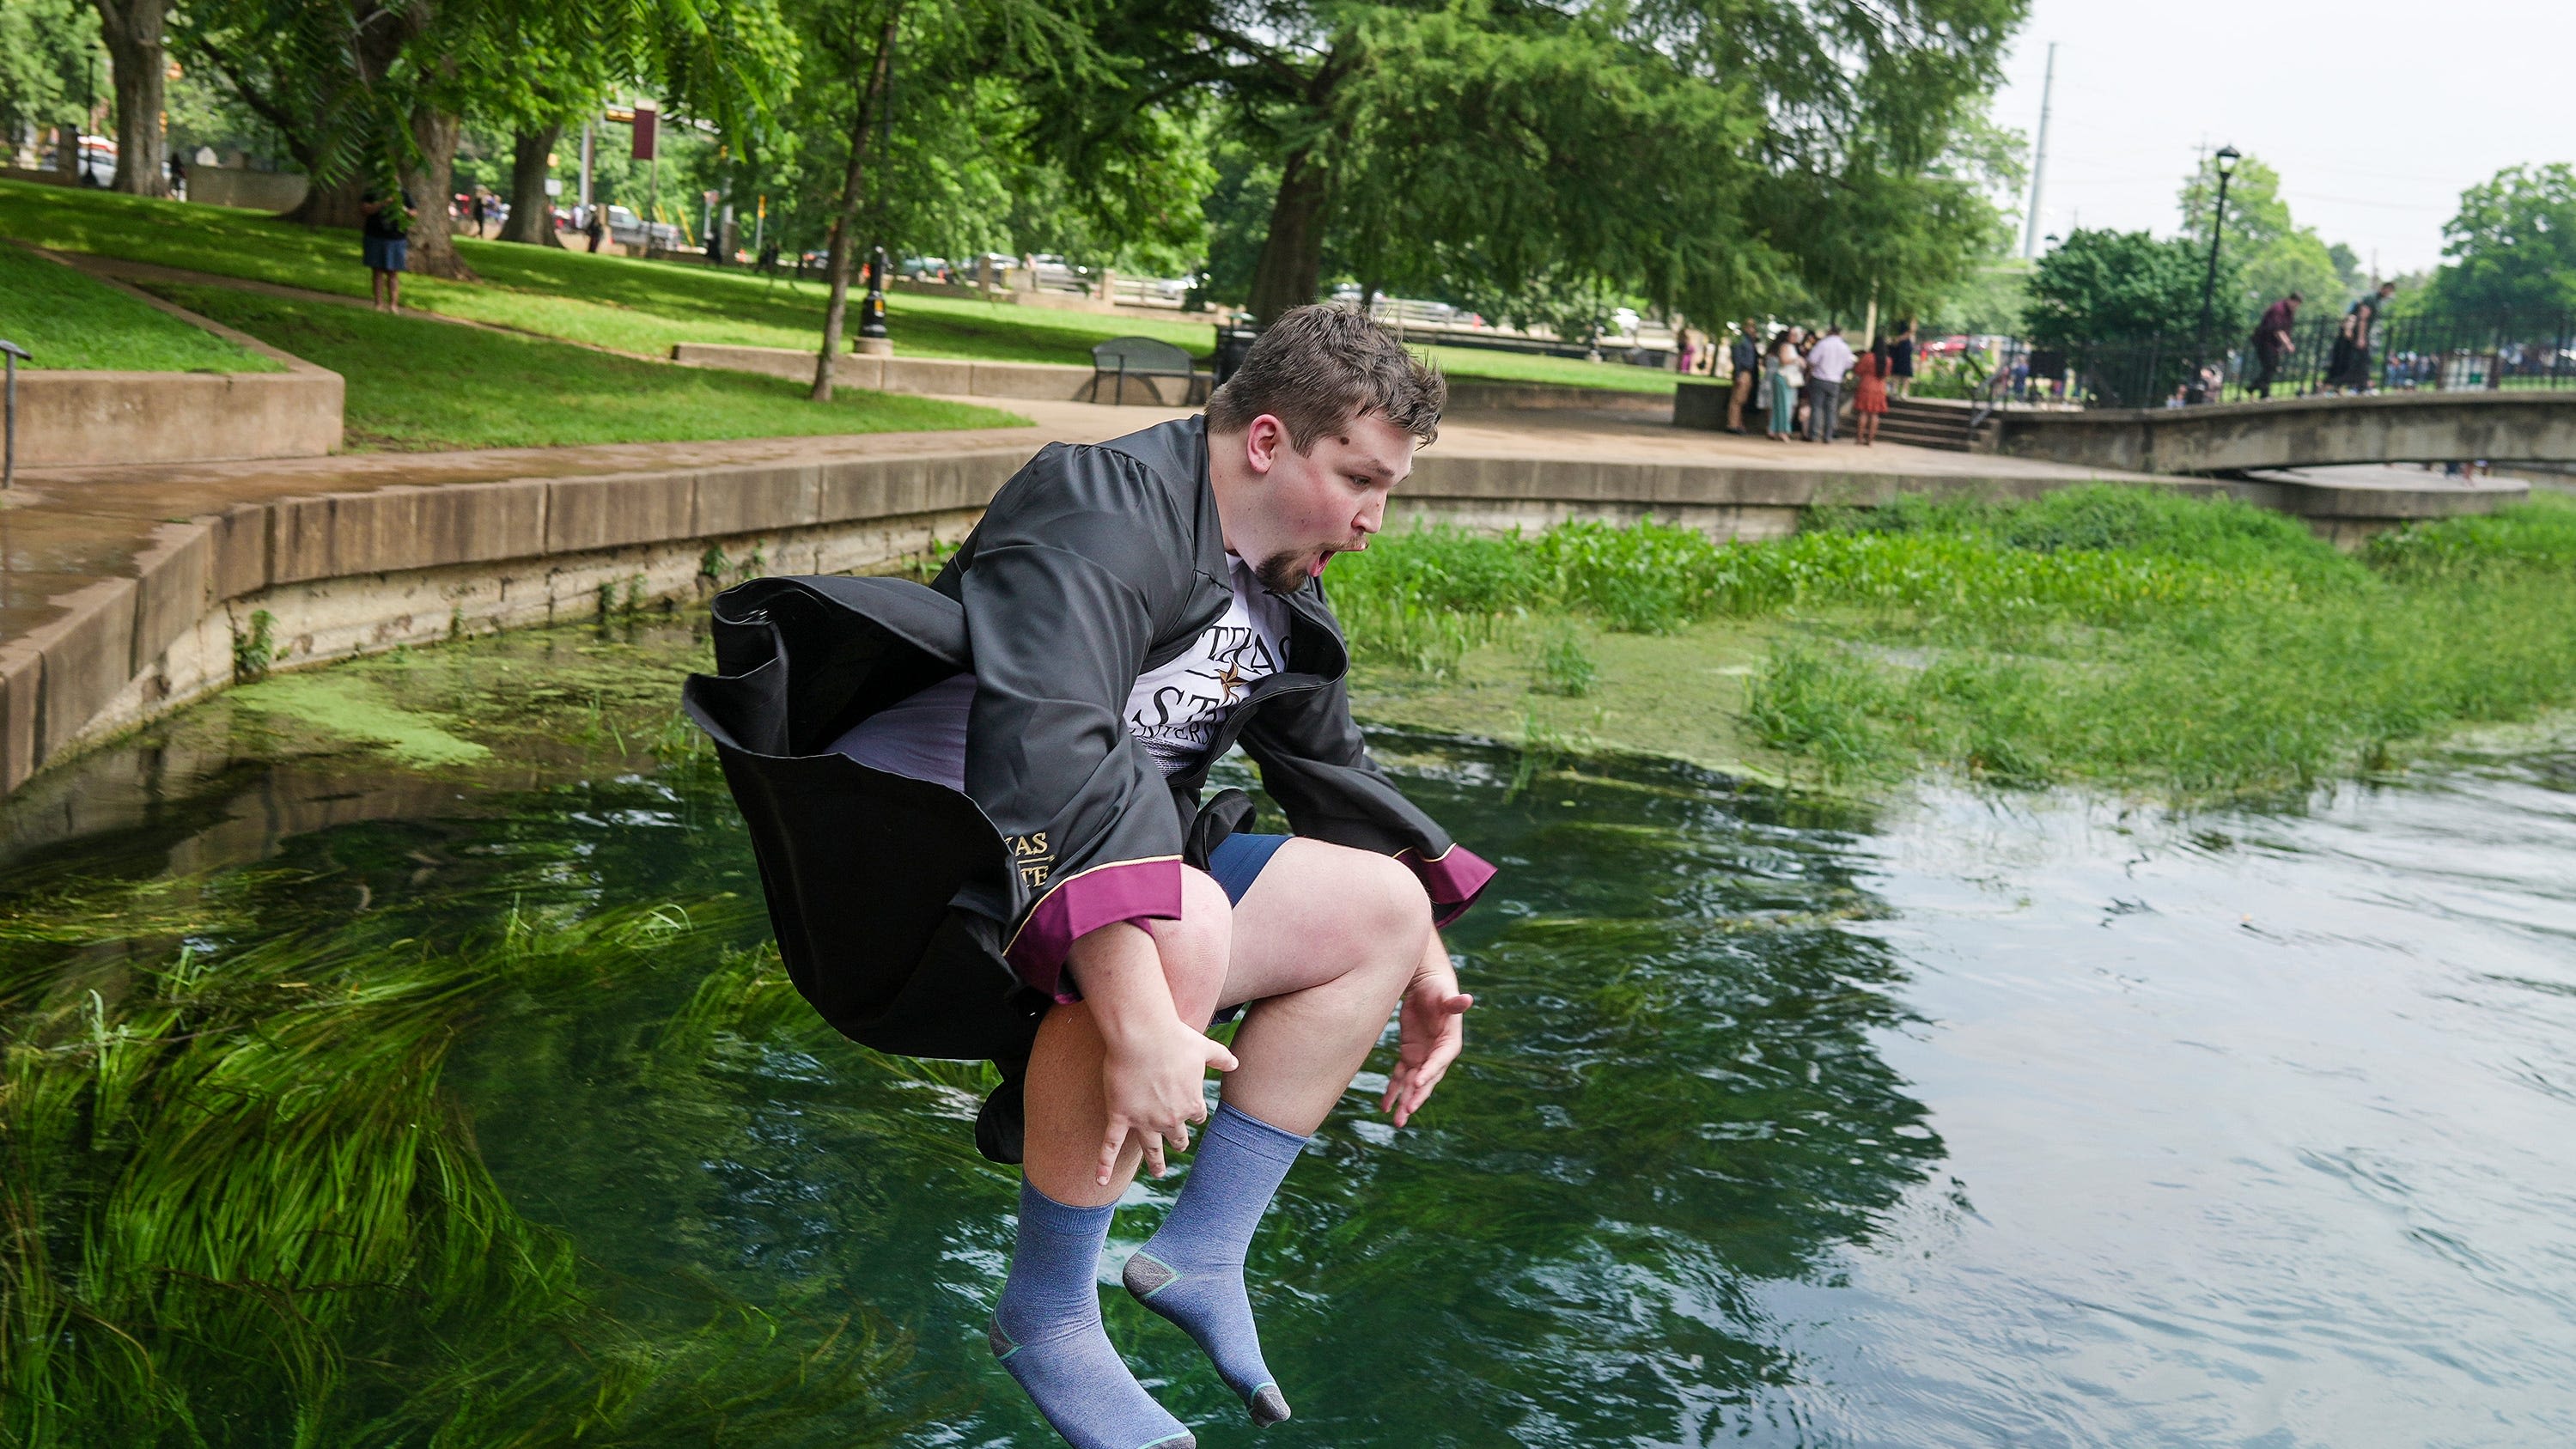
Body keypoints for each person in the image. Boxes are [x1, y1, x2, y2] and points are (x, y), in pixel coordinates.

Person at [682, 305, 1495, 1449]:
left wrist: (1424, 958)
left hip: (1098, 861)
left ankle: (1200, 1252)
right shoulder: (1092, 507)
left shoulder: (1278, 573)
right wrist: (1141, 1023)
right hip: (932, 882)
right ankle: (1047, 1312)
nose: (1371, 521)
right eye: (1359, 479)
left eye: (1388, 489)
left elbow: (1331, 770)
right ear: (1266, 440)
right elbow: (1042, 762)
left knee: (1379, 905)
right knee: (1185, 916)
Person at [2327, 282, 2396, 393]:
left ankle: (2349, 386)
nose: (2389, 294)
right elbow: (2363, 318)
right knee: (2362, 361)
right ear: (2384, 289)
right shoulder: (2371, 299)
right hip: (2358, 334)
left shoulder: (2377, 301)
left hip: (2360, 334)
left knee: (2356, 361)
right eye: (2388, 291)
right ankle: (2359, 387)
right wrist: (2361, 337)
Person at [359, 183, 412, 313]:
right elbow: (364, 209)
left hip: (396, 238)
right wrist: (382, 203)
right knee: (377, 271)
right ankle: (378, 304)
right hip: (375, 236)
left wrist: (402, 208)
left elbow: (413, 213)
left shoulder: (403, 194)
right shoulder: (372, 192)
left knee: (393, 272)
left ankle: (393, 305)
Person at [1805, 324, 1854, 444]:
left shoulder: (1823, 344)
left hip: (1820, 378)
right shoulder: (1845, 347)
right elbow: (1849, 364)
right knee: (1831, 409)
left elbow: (1812, 360)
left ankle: (1814, 434)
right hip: (1835, 381)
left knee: (1817, 407)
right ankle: (1828, 435)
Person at [2250, 292, 2301, 399]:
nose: (2296, 307)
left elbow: (2287, 330)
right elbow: (2277, 330)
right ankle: (2262, 392)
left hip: (2274, 343)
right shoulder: (2279, 309)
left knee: (2272, 367)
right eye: (2295, 304)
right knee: (2270, 366)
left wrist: (2283, 346)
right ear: (2290, 300)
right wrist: (2287, 344)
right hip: (2264, 341)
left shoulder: (2289, 312)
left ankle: (2255, 388)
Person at [1766, 329, 1803, 440]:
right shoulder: (1786, 347)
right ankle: (1783, 430)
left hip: (1788, 379)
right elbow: (1784, 360)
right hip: (1784, 378)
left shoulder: (1792, 348)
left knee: (1782, 405)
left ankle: (1774, 429)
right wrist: (1797, 359)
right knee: (1785, 406)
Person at [1726, 320, 1762, 432]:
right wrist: (1738, 374)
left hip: (1749, 372)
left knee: (1742, 400)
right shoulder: (1740, 340)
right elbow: (1737, 358)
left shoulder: (1750, 341)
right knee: (1737, 399)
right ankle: (1732, 424)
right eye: (1750, 326)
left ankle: (1738, 423)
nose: (1753, 329)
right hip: (1742, 372)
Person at [1851, 341, 1889, 446]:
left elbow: (1858, 370)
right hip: (1880, 388)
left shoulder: (1868, 357)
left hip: (1866, 386)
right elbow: (1887, 374)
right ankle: (1870, 440)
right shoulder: (1887, 360)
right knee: (1875, 414)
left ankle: (1859, 438)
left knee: (1863, 413)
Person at [1887, 319, 1917, 399]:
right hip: (1897, 353)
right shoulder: (1897, 338)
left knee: (1905, 374)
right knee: (1895, 373)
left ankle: (1904, 392)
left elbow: (1912, 330)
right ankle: (1894, 391)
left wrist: (1900, 338)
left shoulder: (1909, 338)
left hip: (1905, 354)